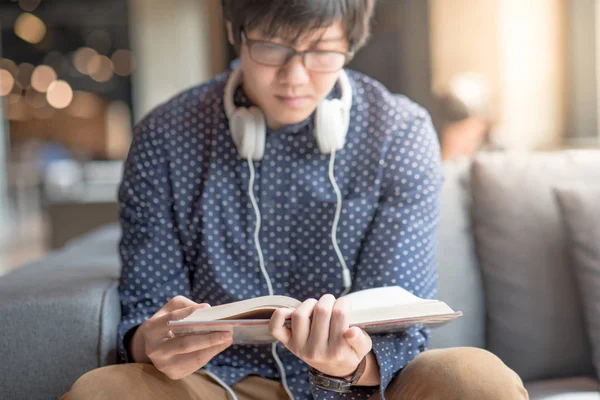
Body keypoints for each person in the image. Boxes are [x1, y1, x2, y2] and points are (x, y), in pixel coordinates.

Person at [61, 1, 528, 399]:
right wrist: (151, 342)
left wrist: (348, 366)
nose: (295, 77)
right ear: (234, 32)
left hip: (367, 385)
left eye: (323, 52)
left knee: (475, 379)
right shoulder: (164, 135)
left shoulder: (400, 132)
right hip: (214, 381)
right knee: (101, 391)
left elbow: (404, 322)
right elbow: (146, 306)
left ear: (351, 42)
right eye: (271, 48)